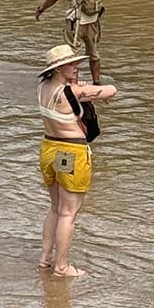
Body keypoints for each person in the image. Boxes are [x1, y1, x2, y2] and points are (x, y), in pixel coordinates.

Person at [36, 44, 117, 278]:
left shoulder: (42, 87)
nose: (76, 67)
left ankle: (45, 259)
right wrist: (82, 88)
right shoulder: (70, 92)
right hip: (71, 150)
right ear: (60, 68)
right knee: (68, 212)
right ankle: (61, 266)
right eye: (72, 64)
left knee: (55, 207)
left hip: (49, 147)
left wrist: (76, 85)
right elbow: (111, 90)